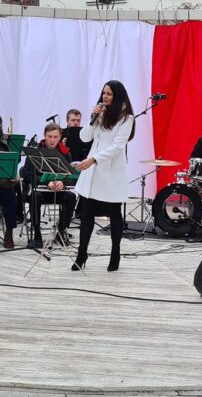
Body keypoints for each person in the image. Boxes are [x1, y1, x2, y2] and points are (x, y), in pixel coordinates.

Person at [72, 80, 135, 272]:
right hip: (93, 172)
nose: (105, 97)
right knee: (87, 214)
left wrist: (94, 159)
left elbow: (117, 146)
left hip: (111, 172)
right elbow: (84, 137)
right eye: (103, 93)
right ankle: (82, 254)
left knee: (114, 213)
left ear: (117, 95)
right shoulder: (101, 114)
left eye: (109, 94)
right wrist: (92, 117)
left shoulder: (127, 117)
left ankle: (115, 252)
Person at [20, 123, 78, 248]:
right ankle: (37, 235)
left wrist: (63, 182)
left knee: (71, 197)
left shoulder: (65, 154)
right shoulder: (34, 153)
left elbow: (70, 177)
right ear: (44, 136)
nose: (52, 140)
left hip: (58, 191)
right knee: (36, 196)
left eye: (55, 137)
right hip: (40, 191)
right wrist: (47, 182)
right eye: (49, 136)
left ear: (60, 137)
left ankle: (61, 231)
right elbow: (27, 175)